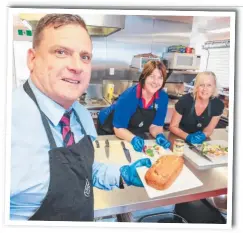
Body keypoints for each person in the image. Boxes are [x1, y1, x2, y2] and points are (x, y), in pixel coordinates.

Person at [10, 14, 152, 221]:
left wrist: (122, 174)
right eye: (61, 52)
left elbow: (85, 170)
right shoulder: (9, 121)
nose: (77, 66)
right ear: (32, 59)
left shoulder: (81, 115)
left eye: (85, 56)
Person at [97, 60, 171, 152]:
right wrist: (133, 139)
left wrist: (159, 135)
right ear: (144, 77)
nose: (156, 82)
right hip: (109, 126)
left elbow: (156, 125)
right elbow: (119, 128)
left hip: (131, 129)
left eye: (160, 77)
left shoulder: (162, 98)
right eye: (152, 76)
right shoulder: (129, 96)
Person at [169, 71, 224, 144]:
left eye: (209, 85)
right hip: (178, 139)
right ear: (197, 86)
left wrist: (203, 135)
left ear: (214, 87)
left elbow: (209, 130)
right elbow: (173, 126)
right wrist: (188, 137)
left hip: (200, 142)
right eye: (202, 85)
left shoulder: (218, 105)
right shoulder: (185, 101)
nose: (205, 89)